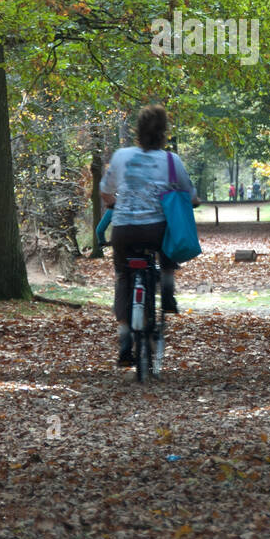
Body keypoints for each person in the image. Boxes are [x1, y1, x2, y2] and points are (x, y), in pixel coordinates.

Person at [100, 104, 198, 366]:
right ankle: (166, 290)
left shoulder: (121, 156)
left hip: (123, 230)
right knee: (167, 245)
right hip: (154, 229)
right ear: (164, 133)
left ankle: (124, 341)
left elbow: (105, 191)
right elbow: (190, 195)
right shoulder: (171, 160)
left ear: (137, 130)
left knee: (123, 276)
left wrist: (114, 204)